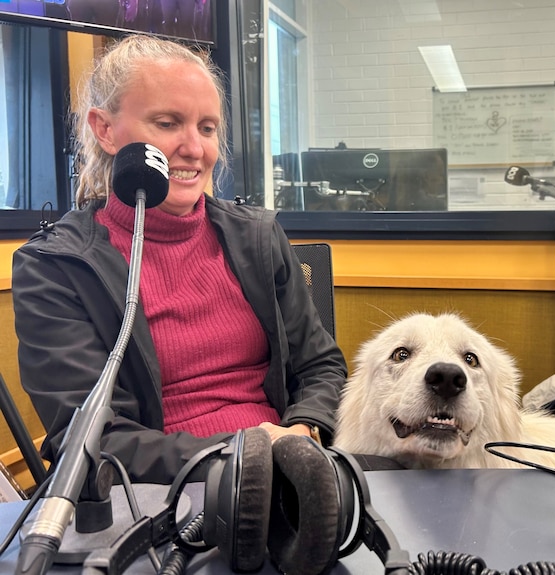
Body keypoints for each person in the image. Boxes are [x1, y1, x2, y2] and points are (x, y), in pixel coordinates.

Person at [12, 34, 347, 484]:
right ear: (105, 129)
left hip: (287, 468)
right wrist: (244, 452)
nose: (195, 148)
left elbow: (320, 366)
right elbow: (92, 438)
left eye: (207, 128)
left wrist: (301, 435)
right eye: (168, 123)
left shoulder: (258, 237)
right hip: (160, 493)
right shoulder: (55, 268)